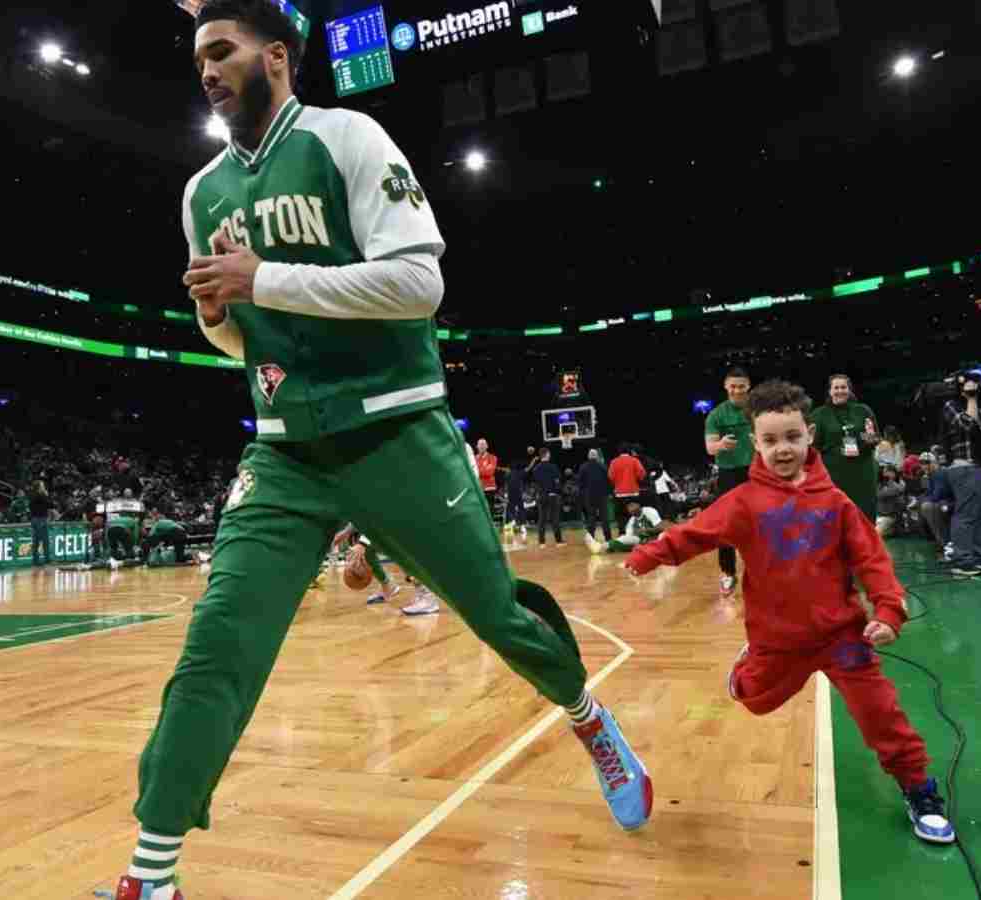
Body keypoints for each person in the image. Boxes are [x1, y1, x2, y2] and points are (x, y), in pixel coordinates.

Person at [118, 5, 652, 896]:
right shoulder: (201, 191)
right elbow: (241, 342)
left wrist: (263, 278)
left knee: (499, 616)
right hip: (286, 453)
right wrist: (219, 316)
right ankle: (153, 871)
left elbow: (419, 283)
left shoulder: (348, 137)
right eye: (198, 57)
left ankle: (585, 714)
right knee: (218, 647)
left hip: (396, 431)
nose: (206, 70)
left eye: (223, 51)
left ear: (277, 57)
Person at [624, 380, 954, 845]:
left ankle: (919, 789)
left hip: (843, 638)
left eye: (792, 437)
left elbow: (872, 561)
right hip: (778, 640)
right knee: (755, 699)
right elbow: (692, 534)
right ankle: (745, 670)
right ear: (756, 443)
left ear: (810, 435)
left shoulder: (836, 503)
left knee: (883, 716)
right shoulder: (742, 502)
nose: (783, 449)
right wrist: (648, 554)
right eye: (771, 440)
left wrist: (889, 611)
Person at [939, 373, 981, 577]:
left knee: (980, 514)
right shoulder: (951, 405)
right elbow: (968, 423)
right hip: (963, 468)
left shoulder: (975, 404)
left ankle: (978, 556)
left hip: (979, 466)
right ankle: (962, 560)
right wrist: (972, 398)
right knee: (966, 514)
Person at [704, 366, 753, 599]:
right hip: (728, 475)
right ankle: (727, 573)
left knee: (764, 523)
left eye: (741, 386)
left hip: (756, 473)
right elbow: (709, 447)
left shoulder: (756, 411)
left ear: (748, 387)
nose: (737, 390)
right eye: (732, 386)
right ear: (726, 387)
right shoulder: (716, 415)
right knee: (725, 527)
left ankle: (766, 573)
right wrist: (721, 444)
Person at [809, 374, 882, 521]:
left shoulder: (863, 410)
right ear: (830, 391)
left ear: (849, 390)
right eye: (836, 387)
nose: (840, 391)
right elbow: (813, 447)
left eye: (843, 387)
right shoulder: (819, 414)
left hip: (862, 473)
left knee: (864, 516)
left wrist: (869, 435)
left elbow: (874, 440)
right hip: (833, 474)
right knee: (835, 516)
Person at [587, 500, 663, 554]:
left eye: (632, 505)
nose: (631, 508)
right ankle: (601, 547)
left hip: (656, 540)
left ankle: (603, 546)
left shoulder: (649, 511)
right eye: (628, 507)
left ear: (639, 505)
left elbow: (661, 528)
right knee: (623, 540)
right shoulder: (631, 521)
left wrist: (646, 530)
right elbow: (629, 538)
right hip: (642, 543)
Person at [576, 448, 613, 545]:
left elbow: (580, 483)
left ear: (588, 456)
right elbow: (609, 481)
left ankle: (591, 539)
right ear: (596, 456)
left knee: (591, 517)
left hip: (589, 496)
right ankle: (608, 538)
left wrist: (583, 494)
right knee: (604, 517)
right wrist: (609, 493)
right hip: (602, 495)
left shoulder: (583, 467)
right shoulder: (603, 466)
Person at [532, 446, 565, 547]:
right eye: (549, 454)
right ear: (547, 454)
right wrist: (557, 490)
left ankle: (542, 543)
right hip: (552, 496)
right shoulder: (553, 467)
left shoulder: (536, 469)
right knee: (555, 519)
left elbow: (536, 484)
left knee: (542, 519)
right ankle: (559, 542)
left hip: (541, 496)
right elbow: (557, 482)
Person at [29, 479, 54, 568]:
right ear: (39, 487)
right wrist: (46, 495)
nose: (44, 487)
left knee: (36, 541)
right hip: (41, 520)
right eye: (42, 485)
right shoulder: (41, 496)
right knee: (45, 541)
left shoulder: (32, 495)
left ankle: (36, 560)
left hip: (34, 520)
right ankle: (47, 560)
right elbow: (50, 504)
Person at [475, 438, 499, 518]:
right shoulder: (474, 458)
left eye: (483, 444)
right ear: (477, 446)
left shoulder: (493, 458)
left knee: (489, 513)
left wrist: (477, 470)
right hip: (477, 489)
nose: (481, 446)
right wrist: (482, 469)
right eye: (480, 444)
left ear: (487, 446)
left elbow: (489, 472)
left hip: (489, 489)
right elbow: (471, 472)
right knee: (478, 512)